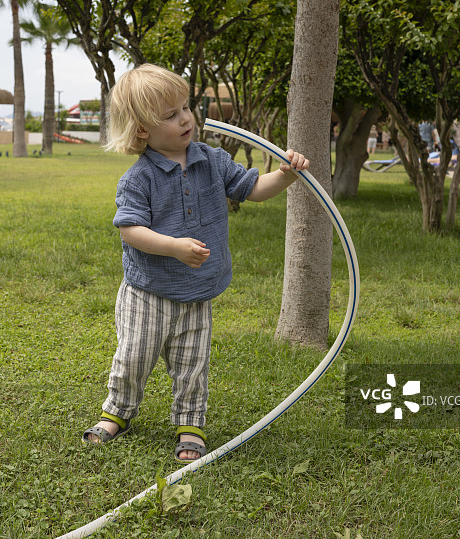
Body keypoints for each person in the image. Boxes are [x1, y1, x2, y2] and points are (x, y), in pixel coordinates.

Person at [81, 64, 309, 463]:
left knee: (192, 362)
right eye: (170, 115)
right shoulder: (139, 179)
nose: (185, 118)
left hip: (197, 291)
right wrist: (172, 246)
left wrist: (286, 176)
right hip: (148, 291)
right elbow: (130, 229)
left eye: (185, 107)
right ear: (141, 131)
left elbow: (252, 188)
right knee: (134, 355)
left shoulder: (212, 160)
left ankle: (189, 423)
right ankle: (117, 411)